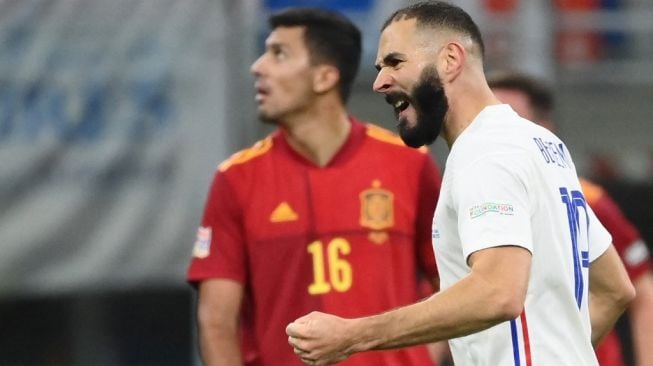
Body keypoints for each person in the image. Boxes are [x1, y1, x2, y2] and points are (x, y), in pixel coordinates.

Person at [286, 2, 636, 365]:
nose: (379, 82)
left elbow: (498, 292)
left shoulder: (485, 152)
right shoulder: (542, 144)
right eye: (379, 68)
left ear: (451, 59)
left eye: (395, 62)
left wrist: (352, 335)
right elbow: (614, 289)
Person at [186, 7, 443, 366]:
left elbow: (451, 284)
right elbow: (216, 322)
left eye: (279, 54)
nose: (257, 66)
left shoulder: (409, 164)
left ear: (324, 77)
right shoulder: (236, 179)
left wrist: (419, 359)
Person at [488, 70, 653, 366]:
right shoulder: (473, 204)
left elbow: (640, 289)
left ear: (543, 129)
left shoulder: (586, 200)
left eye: (511, 120)